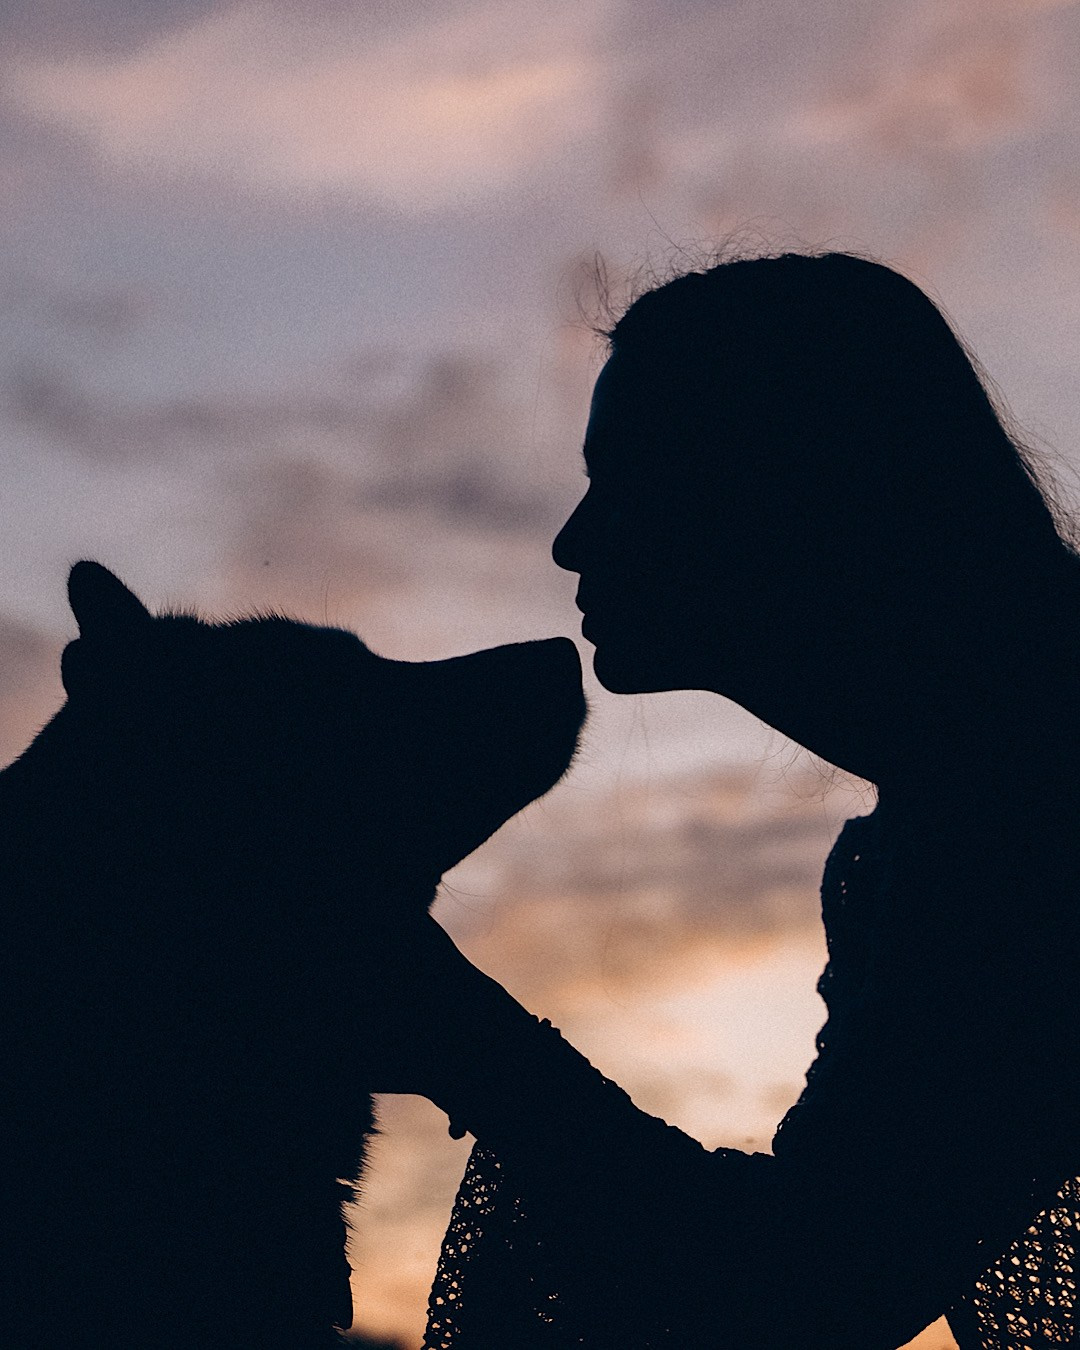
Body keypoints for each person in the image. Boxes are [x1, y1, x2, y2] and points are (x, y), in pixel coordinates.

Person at [370, 250, 1080, 1349]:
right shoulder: (974, 798)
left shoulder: (1020, 821)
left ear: (787, 488)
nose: (570, 538)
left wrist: (464, 1036)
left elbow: (806, 1284)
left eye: (624, 477)